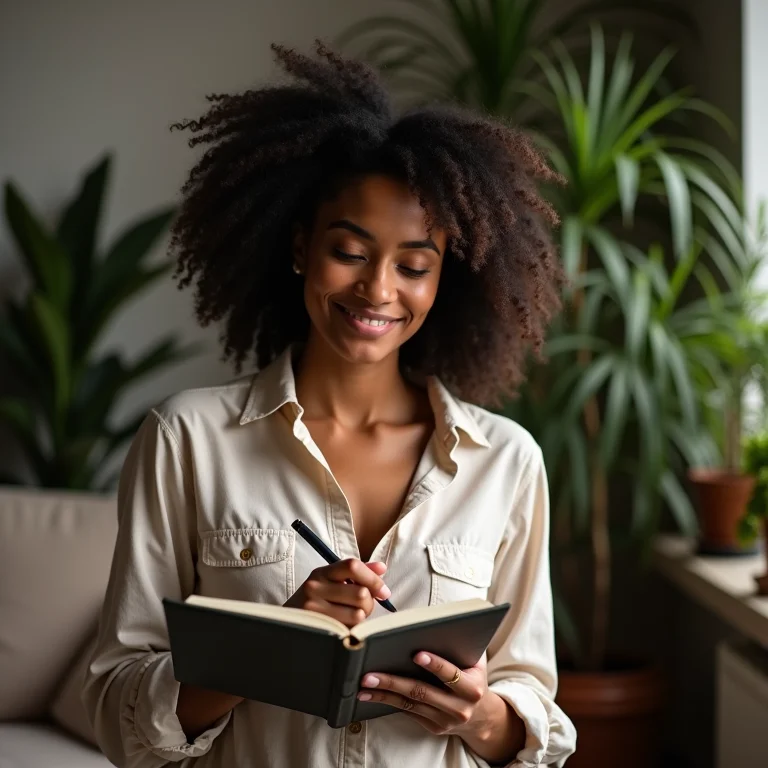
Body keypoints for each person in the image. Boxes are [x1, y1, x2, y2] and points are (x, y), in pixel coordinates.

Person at [83, 41, 577, 768]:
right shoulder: (187, 439)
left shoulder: (504, 461)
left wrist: (480, 716)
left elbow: (532, 715)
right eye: (350, 252)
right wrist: (268, 649)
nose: (378, 289)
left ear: (444, 279)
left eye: (414, 265)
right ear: (300, 247)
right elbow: (117, 714)